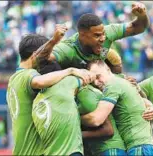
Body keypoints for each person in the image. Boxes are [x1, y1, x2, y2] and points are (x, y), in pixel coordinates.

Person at [6, 25, 92, 155]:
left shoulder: (13, 80)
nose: (48, 58)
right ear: (35, 54)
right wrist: (70, 70)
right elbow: (39, 81)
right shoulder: (27, 75)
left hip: (21, 149)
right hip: (33, 151)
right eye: (46, 55)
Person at [81, 60, 153, 156]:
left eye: (98, 76)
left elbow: (96, 119)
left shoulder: (112, 85)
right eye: (93, 80)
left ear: (108, 69)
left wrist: (74, 118)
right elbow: (142, 101)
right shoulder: (122, 83)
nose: (96, 82)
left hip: (140, 149)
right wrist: (151, 106)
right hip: (147, 147)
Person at [48, 2, 150, 74]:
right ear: (82, 35)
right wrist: (53, 41)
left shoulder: (108, 33)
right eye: (97, 35)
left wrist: (142, 16)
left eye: (103, 34)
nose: (102, 39)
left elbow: (139, 27)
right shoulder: (68, 49)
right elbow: (41, 59)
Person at [77, 84, 127, 156]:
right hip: (101, 150)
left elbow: (108, 130)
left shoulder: (85, 95)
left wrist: (78, 134)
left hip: (110, 149)